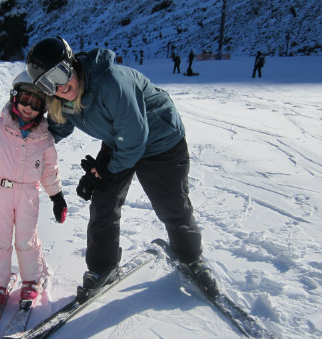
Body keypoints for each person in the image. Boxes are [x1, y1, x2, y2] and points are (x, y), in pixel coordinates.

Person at [25, 37, 219, 298]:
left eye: (60, 73)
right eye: (49, 83)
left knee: (172, 205)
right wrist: (21, 145)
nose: (59, 85)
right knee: (103, 203)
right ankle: (103, 267)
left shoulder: (111, 82)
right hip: (121, 139)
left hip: (161, 141)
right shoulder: (63, 98)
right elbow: (56, 129)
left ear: (72, 62)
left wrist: (105, 170)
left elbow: (135, 140)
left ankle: (191, 257)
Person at [0, 70, 68, 306]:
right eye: (25, 99)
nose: (29, 107)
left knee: (27, 239)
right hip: (1, 191)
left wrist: (57, 196)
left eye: (36, 103)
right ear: (14, 97)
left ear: (43, 108)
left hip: (29, 193)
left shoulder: (44, 138)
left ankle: (32, 278)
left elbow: (49, 170)